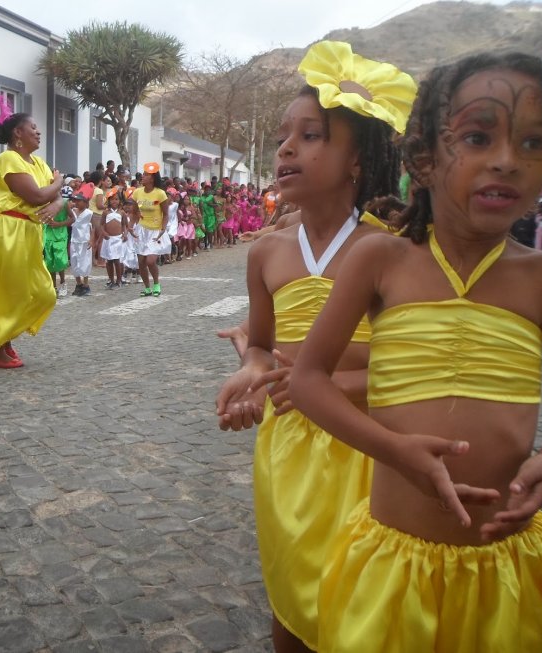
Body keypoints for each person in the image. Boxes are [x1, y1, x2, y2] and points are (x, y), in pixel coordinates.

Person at [289, 44, 542, 652]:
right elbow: (308, 381)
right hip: (393, 565)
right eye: (477, 138)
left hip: (504, 572)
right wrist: (393, 451)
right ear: (422, 156)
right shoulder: (380, 257)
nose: (506, 162)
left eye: (532, 143)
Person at [215, 40, 415, 653]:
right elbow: (262, 347)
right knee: (293, 591)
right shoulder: (266, 252)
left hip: (370, 444)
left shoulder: (392, 251)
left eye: (312, 134)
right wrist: (252, 374)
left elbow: (414, 372)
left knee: (363, 607)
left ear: (359, 161)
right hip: (289, 451)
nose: (285, 148)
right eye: (283, 136)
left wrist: (318, 388)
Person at [0, 109, 62, 369]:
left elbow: (52, 197)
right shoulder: (8, 158)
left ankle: (3, 338)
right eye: (33, 127)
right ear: (18, 133)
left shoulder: (38, 163)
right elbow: (38, 196)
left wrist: (57, 200)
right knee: (9, 289)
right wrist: (58, 184)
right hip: (8, 229)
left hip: (29, 230)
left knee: (43, 292)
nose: (38, 132)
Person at [131, 162, 170, 297]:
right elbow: (134, 212)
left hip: (156, 232)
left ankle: (156, 283)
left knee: (150, 261)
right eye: (143, 174)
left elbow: (165, 214)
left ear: (152, 178)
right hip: (142, 230)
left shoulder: (160, 194)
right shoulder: (137, 193)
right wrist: (131, 226)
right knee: (141, 262)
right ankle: (147, 287)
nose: (143, 176)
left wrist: (163, 228)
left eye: (146, 175)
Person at [44, 185, 73, 298]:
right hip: (49, 234)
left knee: (60, 259)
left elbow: (72, 218)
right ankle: (53, 287)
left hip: (60, 234)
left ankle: (63, 282)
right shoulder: (45, 203)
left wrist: (59, 224)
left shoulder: (64, 203)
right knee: (50, 261)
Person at [69, 186, 94, 296]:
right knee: (74, 262)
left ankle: (86, 284)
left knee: (85, 262)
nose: (77, 203)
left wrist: (92, 240)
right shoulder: (73, 212)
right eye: (76, 200)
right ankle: (78, 283)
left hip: (85, 241)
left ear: (85, 202)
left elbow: (94, 228)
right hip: (74, 240)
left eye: (79, 201)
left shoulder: (89, 213)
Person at [100, 189, 126, 288]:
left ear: (120, 201)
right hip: (108, 239)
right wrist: (104, 232)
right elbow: (101, 225)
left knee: (117, 260)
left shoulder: (122, 212)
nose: (114, 201)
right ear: (109, 200)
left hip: (118, 239)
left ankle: (119, 280)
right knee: (109, 260)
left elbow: (124, 225)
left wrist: (125, 234)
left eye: (116, 199)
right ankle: (111, 279)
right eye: (112, 199)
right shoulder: (105, 212)